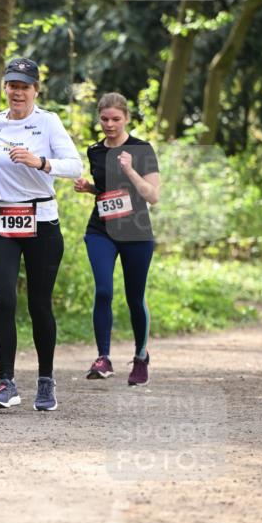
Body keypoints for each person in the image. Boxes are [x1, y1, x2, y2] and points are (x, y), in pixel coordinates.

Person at [0, 57, 82, 411]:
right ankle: (6, 382)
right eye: (12, 85)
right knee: (4, 298)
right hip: (2, 219)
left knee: (39, 304)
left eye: (24, 86)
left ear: (36, 90)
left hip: (42, 220)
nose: (17, 92)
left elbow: (75, 166)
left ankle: (46, 381)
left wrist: (41, 163)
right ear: (4, 88)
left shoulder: (48, 123)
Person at [74, 92, 160, 386]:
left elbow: (152, 196)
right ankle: (103, 357)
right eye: (104, 119)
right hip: (102, 229)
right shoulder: (94, 151)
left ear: (126, 119)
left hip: (136, 232)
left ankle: (140, 357)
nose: (109, 125)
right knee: (103, 291)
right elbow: (107, 190)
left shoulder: (142, 149)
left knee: (134, 298)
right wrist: (90, 188)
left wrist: (130, 169)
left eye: (116, 119)